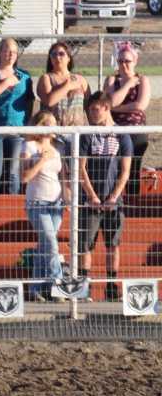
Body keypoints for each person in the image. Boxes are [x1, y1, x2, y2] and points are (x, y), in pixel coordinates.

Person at [79, 91, 133, 302]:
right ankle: (84, 288)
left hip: (113, 201)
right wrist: (91, 195)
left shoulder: (122, 135)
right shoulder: (86, 135)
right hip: (90, 200)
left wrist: (113, 197)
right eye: (90, 109)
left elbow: (125, 171)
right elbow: (80, 168)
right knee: (85, 244)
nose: (92, 113)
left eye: (95, 109)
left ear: (106, 108)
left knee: (113, 244)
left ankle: (111, 286)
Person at [21, 111, 68, 302]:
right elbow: (24, 177)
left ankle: (36, 288)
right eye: (50, 123)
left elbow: (63, 176)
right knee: (51, 243)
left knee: (45, 246)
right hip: (37, 202)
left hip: (56, 203)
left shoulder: (58, 148)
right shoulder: (29, 146)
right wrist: (41, 160)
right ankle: (58, 285)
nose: (54, 127)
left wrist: (67, 198)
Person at [0, 37, 34, 194]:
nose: (11, 54)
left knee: (13, 173)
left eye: (14, 52)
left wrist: (26, 123)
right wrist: (6, 82)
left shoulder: (24, 76)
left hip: (16, 130)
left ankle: (12, 203)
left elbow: (30, 100)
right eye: (7, 51)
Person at [103, 40, 150, 199]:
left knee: (132, 167)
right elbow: (109, 102)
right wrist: (128, 84)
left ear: (135, 61)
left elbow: (140, 105)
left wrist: (115, 108)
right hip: (114, 128)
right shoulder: (112, 80)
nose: (124, 64)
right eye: (120, 61)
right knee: (113, 167)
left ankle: (132, 200)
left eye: (127, 61)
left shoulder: (142, 80)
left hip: (136, 129)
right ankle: (112, 200)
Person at [37, 40, 90, 127]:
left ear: (69, 58)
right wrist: (67, 86)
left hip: (77, 130)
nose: (57, 57)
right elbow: (49, 102)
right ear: (50, 58)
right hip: (53, 129)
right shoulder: (46, 78)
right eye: (54, 54)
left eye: (61, 54)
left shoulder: (81, 79)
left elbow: (88, 105)